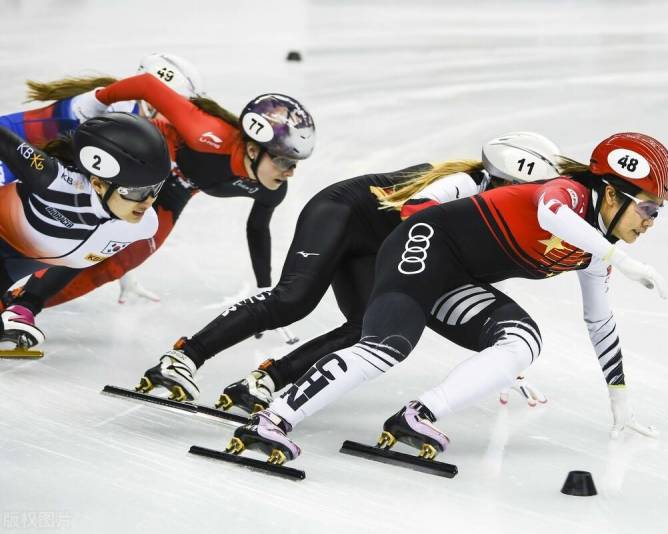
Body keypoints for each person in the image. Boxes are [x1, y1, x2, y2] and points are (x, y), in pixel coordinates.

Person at [222, 132, 668, 464]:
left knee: (522, 340)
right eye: (649, 208)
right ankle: (271, 420)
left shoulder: (595, 247)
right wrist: (624, 259)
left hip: (452, 274)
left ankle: (417, 415)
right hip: (419, 245)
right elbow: (549, 211)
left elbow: (599, 322)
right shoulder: (572, 195)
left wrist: (620, 400)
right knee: (385, 347)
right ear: (613, 193)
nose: (652, 221)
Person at [130, 132, 562, 406]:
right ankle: (184, 356)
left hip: (382, 246)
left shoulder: (500, 209)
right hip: (345, 212)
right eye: (518, 192)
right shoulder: (464, 188)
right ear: (497, 180)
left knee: (363, 329)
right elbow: (423, 230)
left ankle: (266, 381)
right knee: (293, 299)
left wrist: (502, 364)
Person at [3, 71, 315, 347]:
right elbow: (148, 85)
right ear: (252, 148)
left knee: (115, 262)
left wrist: (264, 290)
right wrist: (96, 100)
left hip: (174, 188)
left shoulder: (272, 188)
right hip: (141, 161)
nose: (290, 172)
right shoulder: (207, 132)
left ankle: (18, 306)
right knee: (74, 218)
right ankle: (25, 305)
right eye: (285, 161)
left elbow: (257, 230)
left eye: (295, 163)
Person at [0, 53, 205, 304]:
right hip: (15, 152)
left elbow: (110, 219)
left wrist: (127, 276)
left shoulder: (136, 121)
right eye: (175, 104)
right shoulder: (117, 112)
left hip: (30, 158)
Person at [0, 113, 171, 352]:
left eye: (155, 189)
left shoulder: (142, 225)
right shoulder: (55, 180)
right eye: (135, 192)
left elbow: (78, 257)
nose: (147, 201)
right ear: (99, 185)